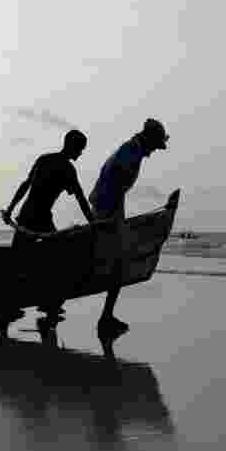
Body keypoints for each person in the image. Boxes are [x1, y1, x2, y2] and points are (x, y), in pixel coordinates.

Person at [0, 129, 95, 335]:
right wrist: (94, 224)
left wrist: (10, 209)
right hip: (40, 219)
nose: (80, 154)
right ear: (72, 146)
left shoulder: (44, 159)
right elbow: (80, 198)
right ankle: (47, 305)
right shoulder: (68, 170)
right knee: (58, 261)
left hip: (26, 216)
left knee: (17, 261)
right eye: (80, 150)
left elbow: (25, 185)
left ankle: (11, 306)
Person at [89, 118, 169, 337]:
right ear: (149, 139)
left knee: (111, 260)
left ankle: (105, 315)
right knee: (119, 262)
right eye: (155, 146)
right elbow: (115, 177)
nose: (153, 151)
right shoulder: (132, 150)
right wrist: (114, 219)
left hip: (108, 205)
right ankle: (106, 318)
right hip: (108, 207)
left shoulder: (130, 148)